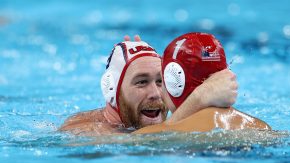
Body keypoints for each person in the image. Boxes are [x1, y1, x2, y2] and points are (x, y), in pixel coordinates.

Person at [59, 35, 238, 136]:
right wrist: (201, 96)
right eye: (141, 82)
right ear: (111, 90)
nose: (155, 93)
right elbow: (146, 143)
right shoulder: (85, 130)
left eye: (160, 81)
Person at [134, 32, 271, 134]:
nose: (159, 92)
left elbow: (120, 143)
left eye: (160, 81)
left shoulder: (158, 135)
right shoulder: (260, 127)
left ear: (174, 82)